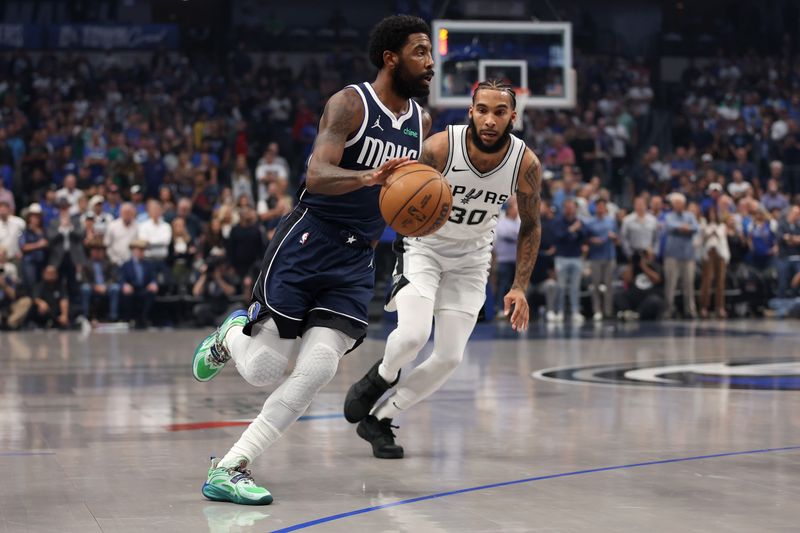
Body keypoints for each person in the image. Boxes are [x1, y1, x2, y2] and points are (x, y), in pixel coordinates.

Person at [190, 14, 433, 504]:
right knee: (262, 370)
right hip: (308, 240)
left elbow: (407, 195)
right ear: (391, 58)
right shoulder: (350, 104)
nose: (430, 64)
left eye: (430, 54)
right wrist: (368, 177)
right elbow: (318, 174)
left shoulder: (421, 122)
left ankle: (232, 466)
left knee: (319, 366)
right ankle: (230, 334)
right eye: (420, 52)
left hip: (357, 257)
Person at [344, 80, 541, 458]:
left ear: (512, 117)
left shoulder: (525, 163)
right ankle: (382, 374)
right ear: (471, 111)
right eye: (482, 110)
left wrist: (519, 286)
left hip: (471, 260)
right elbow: (398, 190)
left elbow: (531, 225)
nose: (489, 119)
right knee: (414, 335)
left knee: (450, 357)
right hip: (424, 248)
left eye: (499, 112)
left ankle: (380, 420)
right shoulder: (440, 147)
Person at [663, 192, 699, 318]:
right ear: (673, 205)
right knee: (671, 284)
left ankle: (690, 310)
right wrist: (683, 227)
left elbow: (695, 228)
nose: (679, 206)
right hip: (672, 255)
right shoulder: (669, 216)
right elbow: (669, 226)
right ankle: (669, 310)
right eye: (676, 204)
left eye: (681, 204)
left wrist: (683, 228)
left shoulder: (690, 216)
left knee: (689, 284)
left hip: (688, 256)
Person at [553, 199, 587, 322]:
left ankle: (575, 311)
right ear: (564, 209)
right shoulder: (558, 222)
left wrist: (578, 230)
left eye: (572, 207)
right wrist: (572, 230)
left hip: (576, 257)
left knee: (575, 287)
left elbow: (584, 235)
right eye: (568, 207)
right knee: (561, 287)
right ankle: (560, 311)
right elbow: (558, 236)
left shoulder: (579, 222)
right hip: (562, 257)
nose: (570, 210)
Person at [586, 198, 617, 321]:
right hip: (596, 257)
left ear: (605, 208)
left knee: (609, 285)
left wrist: (614, 237)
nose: (600, 208)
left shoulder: (611, 221)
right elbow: (586, 239)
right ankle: (597, 310)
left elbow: (617, 238)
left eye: (602, 206)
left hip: (609, 256)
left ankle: (608, 311)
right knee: (596, 285)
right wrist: (592, 240)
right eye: (598, 206)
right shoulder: (590, 222)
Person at [698, 206, 730, 318]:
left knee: (720, 282)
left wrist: (713, 232)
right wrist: (710, 233)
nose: (712, 215)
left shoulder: (722, 226)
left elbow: (720, 236)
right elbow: (703, 237)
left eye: (714, 213)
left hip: (720, 254)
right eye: (710, 212)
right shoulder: (704, 226)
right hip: (708, 254)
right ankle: (704, 307)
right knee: (707, 281)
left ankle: (720, 307)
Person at [119, 240, 158, 328]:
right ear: (133, 251)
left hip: (144, 288)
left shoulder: (148, 264)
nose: (141, 252)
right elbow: (122, 278)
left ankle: (143, 318)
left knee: (151, 293)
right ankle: (129, 319)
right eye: (139, 250)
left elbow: (153, 277)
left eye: (142, 250)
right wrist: (125, 285)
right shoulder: (126, 265)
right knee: (126, 294)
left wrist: (153, 283)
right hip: (132, 289)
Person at [80, 238, 120, 323]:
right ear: (91, 251)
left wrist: (105, 286)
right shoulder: (86, 264)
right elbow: (84, 279)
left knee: (115, 288)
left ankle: (113, 317)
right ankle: (85, 316)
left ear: (103, 252)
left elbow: (113, 278)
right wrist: (94, 286)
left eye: (100, 250)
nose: (97, 252)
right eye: (95, 250)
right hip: (92, 287)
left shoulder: (109, 263)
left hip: (105, 287)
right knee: (85, 288)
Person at [493, 195, 520, 313]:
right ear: (509, 210)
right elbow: (505, 233)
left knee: (513, 287)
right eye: (515, 208)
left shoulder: (518, 222)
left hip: (516, 260)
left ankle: (513, 310)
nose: (517, 211)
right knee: (503, 285)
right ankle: (500, 308)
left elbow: (524, 235)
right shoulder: (502, 221)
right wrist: (517, 236)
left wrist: (517, 236)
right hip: (503, 259)